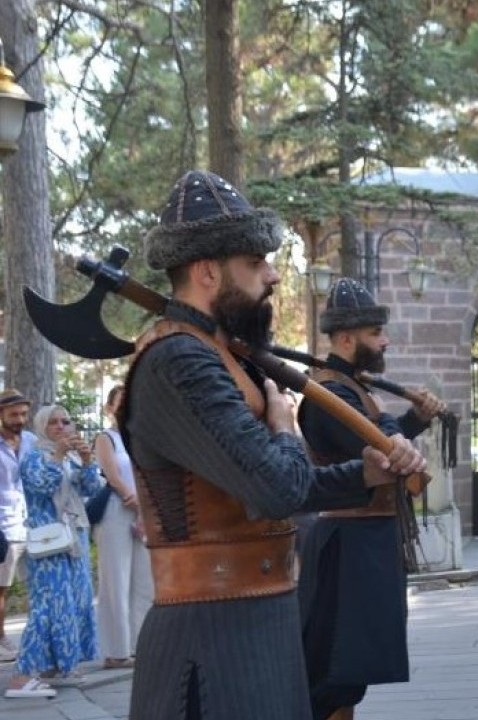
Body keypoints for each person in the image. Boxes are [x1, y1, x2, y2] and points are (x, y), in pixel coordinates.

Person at [118, 170, 426, 720]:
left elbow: (269, 484)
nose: (274, 275)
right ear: (208, 270)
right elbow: (277, 486)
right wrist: (283, 422)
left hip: (256, 617)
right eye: (256, 263)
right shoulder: (179, 360)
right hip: (213, 635)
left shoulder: (217, 353)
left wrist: (365, 475)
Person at [297, 277, 447, 720]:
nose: (386, 341)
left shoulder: (351, 389)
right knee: (332, 671)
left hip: (368, 539)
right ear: (346, 338)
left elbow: (382, 439)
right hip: (347, 542)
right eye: (375, 334)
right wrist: (404, 430)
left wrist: (412, 421)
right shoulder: (329, 394)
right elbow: (383, 448)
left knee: (351, 671)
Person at [4, 405, 102, 698]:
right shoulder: (34, 456)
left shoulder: (72, 457)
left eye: (66, 421)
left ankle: (56, 667)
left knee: (74, 603)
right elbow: (41, 485)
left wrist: (86, 460)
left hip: (74, 539)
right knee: (49, 607)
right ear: (42, 427)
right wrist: (58, 456)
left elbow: (91, 489)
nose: (61, 427)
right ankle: (21, 677)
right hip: (49, 544)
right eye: (53, 423)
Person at [93, 384, 153, 670]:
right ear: (109, 408)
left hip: (142, 511)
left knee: (143, 582)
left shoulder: (138, 437)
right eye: (118, 403)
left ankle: (139, 644)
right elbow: (112, 475)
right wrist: (135, 504)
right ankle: (116, 651)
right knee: (116, 581)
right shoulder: (106, 438)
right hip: (118, 509)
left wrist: (146, 512)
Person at [0, 389, 35, 665]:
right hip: (5, 526)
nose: (19, 419)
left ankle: (36, 639)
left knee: (38, 586)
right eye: (14, 414)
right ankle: (1, 640)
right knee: (2, 588)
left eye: (23, 414)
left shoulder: (32, 442)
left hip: (34, 526)